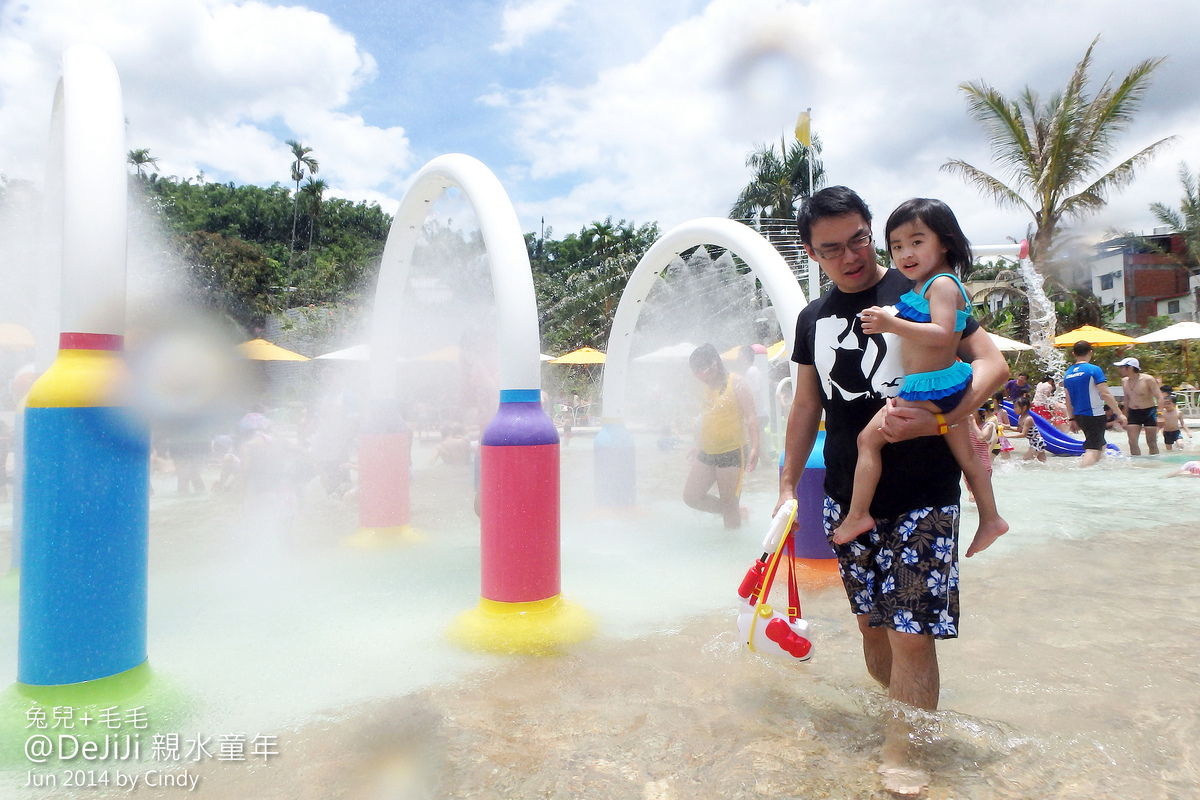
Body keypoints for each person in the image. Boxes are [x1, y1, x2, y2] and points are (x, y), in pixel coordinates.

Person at [776, 186, 1008, 794]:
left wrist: (942, 420)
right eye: (832, 248)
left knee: (912, 634)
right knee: (873, 630)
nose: (851, 255)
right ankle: (907, 720)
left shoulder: (919, 289)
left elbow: (992, 365)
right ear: (810, 253)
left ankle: (905, 752)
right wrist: (785, 485)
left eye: (858, 238)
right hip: (849, 498)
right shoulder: (812, 320)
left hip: (924, 491)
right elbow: (806, 405)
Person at [831, 198, 1008, 550]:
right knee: (968, 455)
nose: (905, 253)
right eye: (896, 246)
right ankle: (991, 518)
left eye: (916, 241)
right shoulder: (925, 286)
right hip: (939, 385)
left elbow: (944, 334)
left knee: (868, 440)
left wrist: (890, 323)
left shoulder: (941, 285)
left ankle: (857, 514)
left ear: (944, 241)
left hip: (928, 390)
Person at [684, 343, 759, 528]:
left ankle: (732, 551)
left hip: (732, 452)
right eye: (696, 373)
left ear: (715, 363)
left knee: (729, 504)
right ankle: (736, 511)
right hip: (707, 452)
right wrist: (699, 445)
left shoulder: (736, 382)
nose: (700, 377)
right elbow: (708, 419)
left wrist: (756, 447)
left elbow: (750, 415)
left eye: (702, 371)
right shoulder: (708, 387)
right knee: (691, 497)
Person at [1062, 341, 1126, 467]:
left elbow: (1067, 399)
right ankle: (1082, 473)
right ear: (1090, 352)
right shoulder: (1093, 370)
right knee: (1093, 449)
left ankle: (1098, 472)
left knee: (1101, 445)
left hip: (1079, 416)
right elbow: (1105, 394)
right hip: (1094, 415)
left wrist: (1071, 418)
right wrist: (1120, 413)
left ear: (1074, 353)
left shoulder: (1068, 373)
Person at [1115, 357, 1163, 456]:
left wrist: (1160, 414)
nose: (1120, 369)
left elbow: (1159, 397)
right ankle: (1136, 464)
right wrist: (1124, 416)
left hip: (1148, 411)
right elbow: (1127, 399)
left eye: (1122, 367)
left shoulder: (1148, 379)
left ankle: (1155, 464)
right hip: (1133, 412)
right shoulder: (1124, 381)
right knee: (1132, 442)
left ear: (1130, 368)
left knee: (1151, 443)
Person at [1013, 396, 1047, 463]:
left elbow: (1023, 434)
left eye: (1016, 407)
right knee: (1043, 463)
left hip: (1037, 442)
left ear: (1024, 407)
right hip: (1034, 442)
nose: (1014, 409)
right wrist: (1006, 427)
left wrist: (1006, 436)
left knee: (1024, 461)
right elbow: (1019, 429)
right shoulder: (1020, 417)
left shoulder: (1028, 419)